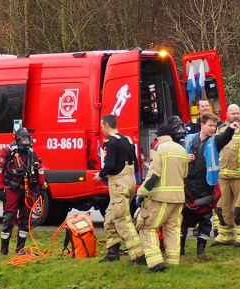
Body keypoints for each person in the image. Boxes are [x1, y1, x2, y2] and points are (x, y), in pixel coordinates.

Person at [135, 118, 188, 272]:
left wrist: (141, 193)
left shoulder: (158, 149)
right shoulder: (182, 150)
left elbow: (154, 175)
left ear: (158, 136)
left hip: (161, 198)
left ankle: (155, 263)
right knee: (172, 229)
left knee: (148, 227)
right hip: (178, 197)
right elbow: (185, 173)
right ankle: (173, 262)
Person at [93, 114, 145, 264]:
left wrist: (100, 175)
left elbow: (109, 164)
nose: (102, 129)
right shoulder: (127, 139)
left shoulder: (109, 142)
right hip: (130, 181)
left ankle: (139, 254)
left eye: (102, 126)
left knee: (121, 218)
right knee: (110, 217)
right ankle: (112, 251)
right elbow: (136, 163)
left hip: (119, 185)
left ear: (107, 125)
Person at [181, 112, 232, 255]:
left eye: (215, 126)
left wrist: (231, 129)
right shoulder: (189, 139)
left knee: (205, 218)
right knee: (184, 217)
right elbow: (178, 156)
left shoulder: (215, 141)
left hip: (206, 184)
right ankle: (180, 247)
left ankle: (201, 248)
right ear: (202, 125)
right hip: (188, 183)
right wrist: (185, 158)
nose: (213, 129)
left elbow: (225, 138)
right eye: (210, 125)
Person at [0, 126, 45, 255]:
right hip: (12, 188)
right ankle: (4, 250)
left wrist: (42, 188)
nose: (25, 140)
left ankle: (20, 248)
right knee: (9, 217)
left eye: (27, 138)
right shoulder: (8, 151)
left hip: (27, 189)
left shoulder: (31, 153)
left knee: (25, 219)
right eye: (23, 138)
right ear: (17, 139)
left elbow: (39, 169)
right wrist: (0, 188)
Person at [213, 104, 240, 246]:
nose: (236, 116)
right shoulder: (220, 128)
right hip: (223, 175)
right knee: (222, 207)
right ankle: (226, 235)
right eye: (233, 113)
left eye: (238, 113)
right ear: (227, 114)